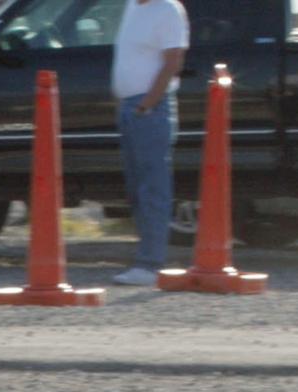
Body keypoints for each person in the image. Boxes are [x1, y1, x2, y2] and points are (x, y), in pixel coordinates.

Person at [111, 0, 188, 286]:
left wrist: (147, 104)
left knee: (152, 188)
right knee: (136, 188)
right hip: (131, 107)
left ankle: (150, 263)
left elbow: (173, 60)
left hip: (150, 109)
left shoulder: (167, 9)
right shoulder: (133, 6)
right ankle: (145, 258)